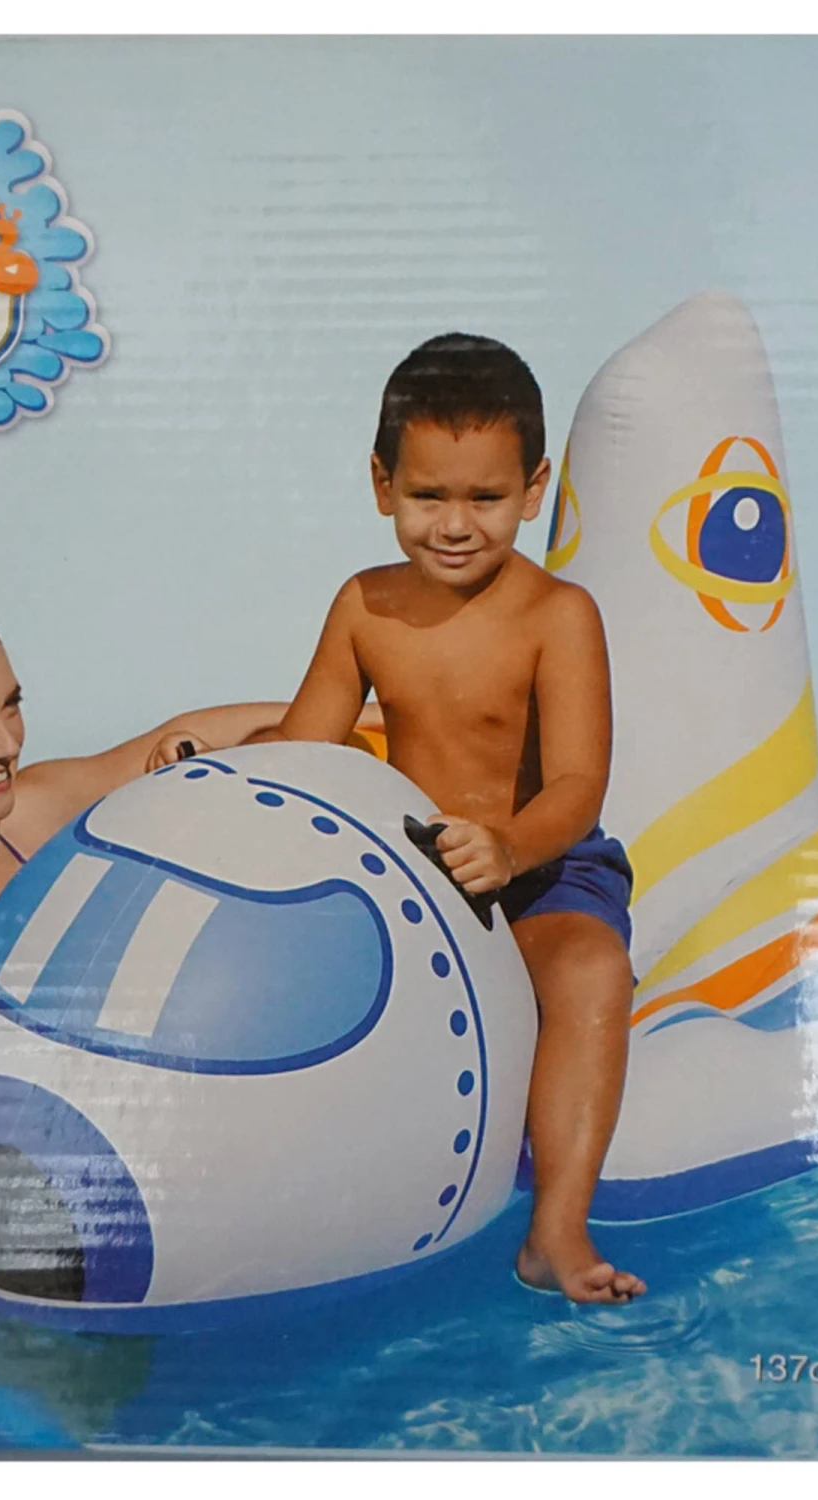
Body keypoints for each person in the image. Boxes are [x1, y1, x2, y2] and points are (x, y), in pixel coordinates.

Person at [246, 334, 646, 1304]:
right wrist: (217, 777)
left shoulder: (559, 614)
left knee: (591, 969)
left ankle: (556, 1230)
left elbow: (579, 785)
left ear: (534, 488)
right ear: (382, 484)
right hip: (418, 871)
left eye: (486, 498)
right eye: (428, 496)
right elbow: (305, 750)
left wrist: (509, 846)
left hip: (542, 867)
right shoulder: (365, 606)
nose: (456, 525)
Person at [0, 593, 309, 1086]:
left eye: (10, 706)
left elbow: (186, 731)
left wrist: (358, 716)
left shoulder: (31, 815)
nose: (7, 744)